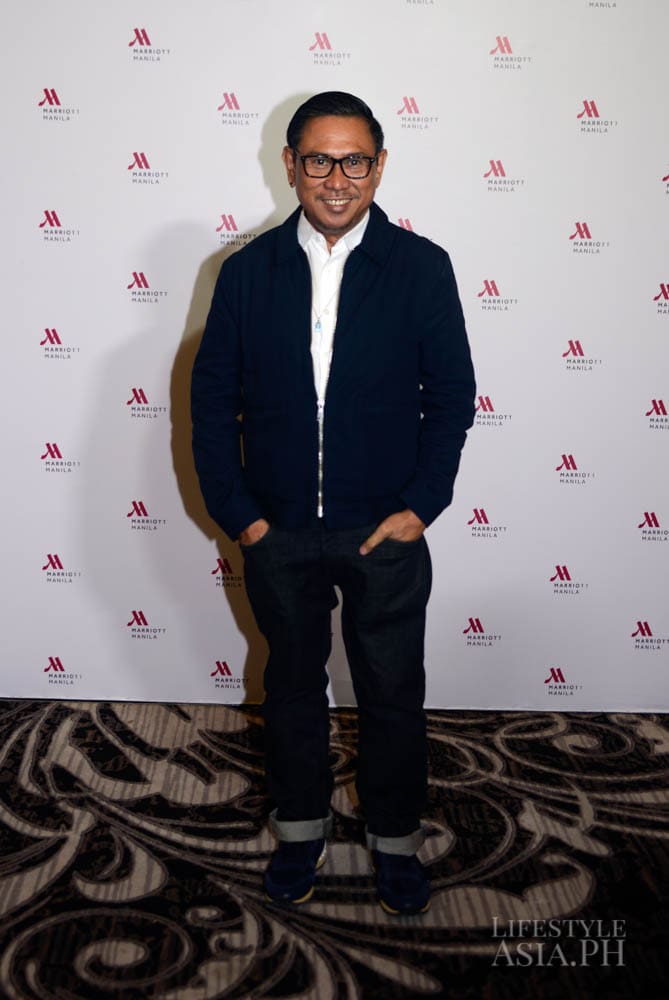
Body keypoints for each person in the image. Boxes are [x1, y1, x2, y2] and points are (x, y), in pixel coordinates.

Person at [191, 91, 475, 915]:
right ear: (290, 165)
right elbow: (211, 404)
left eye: (354, 160)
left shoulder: (422, 267)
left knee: (391, 690)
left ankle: (394, 839)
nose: (337, 178)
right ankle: (300, 828)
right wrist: (240, 514)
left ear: (379, 167)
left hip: (384, 527)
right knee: (290, 689)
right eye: (319, 159)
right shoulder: (245, 272)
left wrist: (421, 504)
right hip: (277, 529)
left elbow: (450, 397)